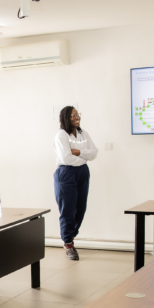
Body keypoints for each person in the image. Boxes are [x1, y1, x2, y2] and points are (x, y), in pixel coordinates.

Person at [53, 106, 98, 261]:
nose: (76, 117)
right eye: (73, 115)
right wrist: (85, 156)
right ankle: (68, 243)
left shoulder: (83, 134)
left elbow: (94, 152)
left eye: (77, 114)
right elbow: (66, 158)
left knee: (80, 209)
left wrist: (78, 152)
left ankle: (70, 236)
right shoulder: (61, 135)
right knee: (67, 209)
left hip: (82, 172)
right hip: (66, 173)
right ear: (66, 117)